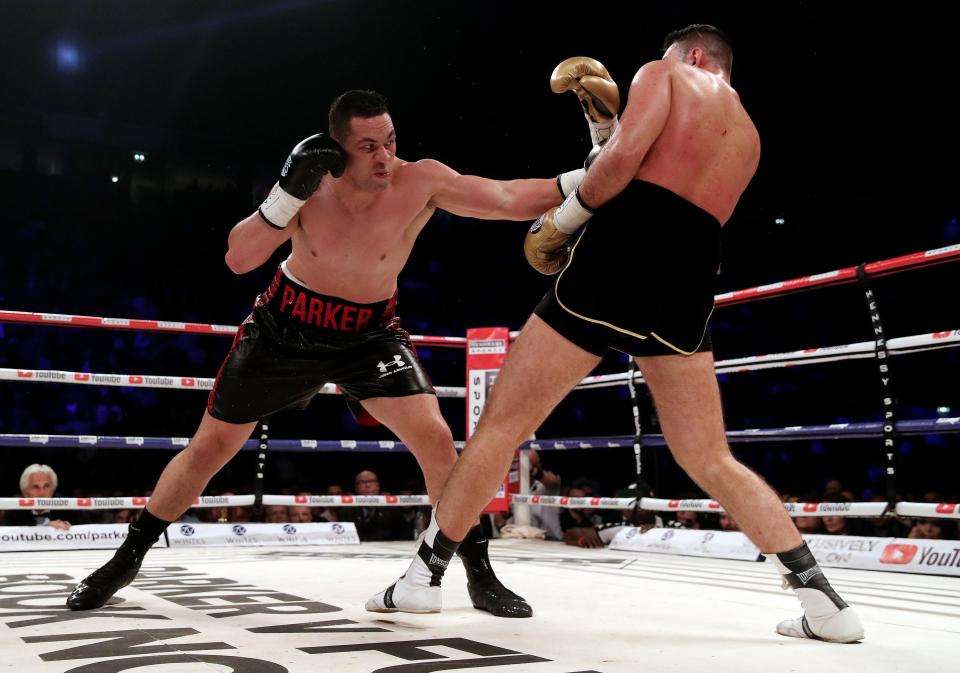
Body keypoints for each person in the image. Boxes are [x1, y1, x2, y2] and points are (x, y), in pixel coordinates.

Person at [368, 26, 864, 644]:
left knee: (503, 423)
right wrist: (606, 144)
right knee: (708, 454)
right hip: (691, 276)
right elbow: (664, 184)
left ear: (694, 55)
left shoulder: (667, 74)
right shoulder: (750, 138)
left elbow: (624, 169)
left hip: (626, 254)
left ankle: (423, 577)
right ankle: (825, 605)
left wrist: (564, 220)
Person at [67, 89, 582, 618]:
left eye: (390, 141)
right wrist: (285, 194)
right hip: (285, 328)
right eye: (368, 146)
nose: (384, 157)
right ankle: (125, 559)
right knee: (210, 448)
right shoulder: (307, 189)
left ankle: (478, 573)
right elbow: (239, 258)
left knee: (434, 439)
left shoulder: (419, 180)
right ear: (338, 148)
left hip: (369, 333)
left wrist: (586, 178)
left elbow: (504, 197)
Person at [7, 464, 85, 529]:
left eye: (46, 486)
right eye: (35, 487)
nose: (42, 493)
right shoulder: (14, 510)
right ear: (25, 493)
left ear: (53, 490)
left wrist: (71, 529)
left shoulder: (67, 507)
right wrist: (44, 528)